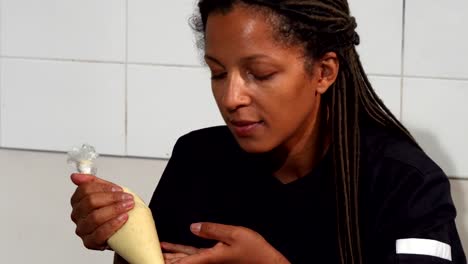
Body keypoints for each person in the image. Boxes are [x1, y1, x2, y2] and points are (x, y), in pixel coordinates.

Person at [70, 0, 467, 263]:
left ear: (324, 72)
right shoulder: (198, 158)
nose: (231, 97)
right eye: (218, 72)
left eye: (260, 74)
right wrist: (122, 235)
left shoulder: (405, 183)